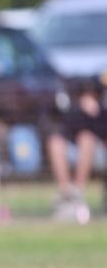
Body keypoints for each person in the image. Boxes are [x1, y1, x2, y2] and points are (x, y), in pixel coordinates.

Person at [46, 77, 105, 223]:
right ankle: (67, 194)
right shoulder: (73, 111)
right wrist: (81, 112)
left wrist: (96, 115)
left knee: (87, 138)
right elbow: (66, 131)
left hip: (98, 153)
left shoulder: (103, 112)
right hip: (75, 152)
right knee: (55, 142)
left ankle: (78, 191)